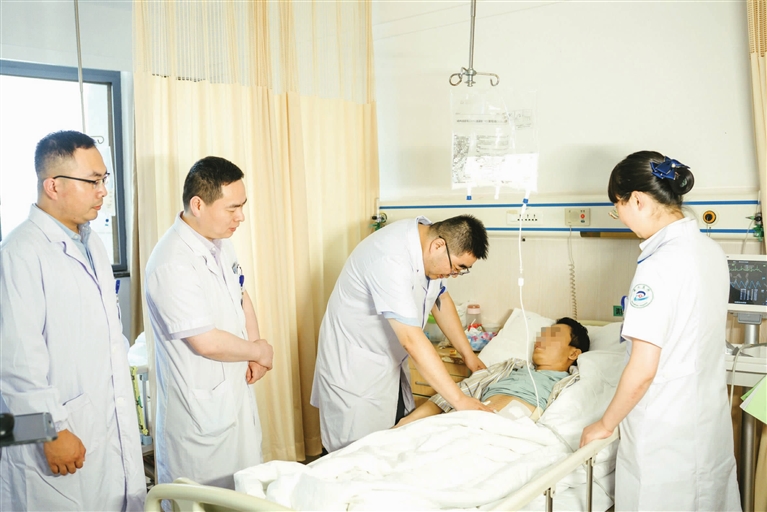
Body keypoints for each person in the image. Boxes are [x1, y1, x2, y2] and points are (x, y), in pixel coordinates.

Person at [580, 151, 740, 511]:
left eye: (617, 208)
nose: (622, 219)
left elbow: (642, 370)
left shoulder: (658, 266)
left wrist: (605, 425)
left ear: (637, 199)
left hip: (663, 434)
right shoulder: (711, 252)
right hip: (706, 423)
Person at [0, 131, 146, 510]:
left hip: (100, 420)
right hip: (56, 433)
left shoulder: (91, 242)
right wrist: (50, 432)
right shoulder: (19, 253)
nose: (103, 191)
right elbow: (16, 363)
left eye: (104, 180)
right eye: (93, 181)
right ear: (53, 186)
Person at [311, 215, 494, 453]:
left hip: (387, 363)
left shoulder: (428, 248)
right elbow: (411, 340)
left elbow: (441, 299)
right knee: (352, 455)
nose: (454, 274)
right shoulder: (390, 258)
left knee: (391, 445)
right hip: (355, 369)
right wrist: (460, 401)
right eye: (456, 267)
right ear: (438, 245)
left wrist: (469, 356)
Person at [144, 156, 273, 489]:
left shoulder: (221, 245)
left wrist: (254, 346)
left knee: (244, 492)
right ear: (198, 205)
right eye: (232, 209)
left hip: (232, 394)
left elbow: (241, 294)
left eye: (242, 206)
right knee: (203, 501)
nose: (240, 216)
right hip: (197, 417)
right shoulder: (172, 262)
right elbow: (205, 341)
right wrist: (259, 351)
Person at [396, 318, 590, 427]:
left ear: (574, 353)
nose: (541, 339)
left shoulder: (576, 384)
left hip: (513, 432)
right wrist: (405, 423)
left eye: (552, 337)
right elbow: (450, 396)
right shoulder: (509, 367)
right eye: (543, 335)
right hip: (466, 423)